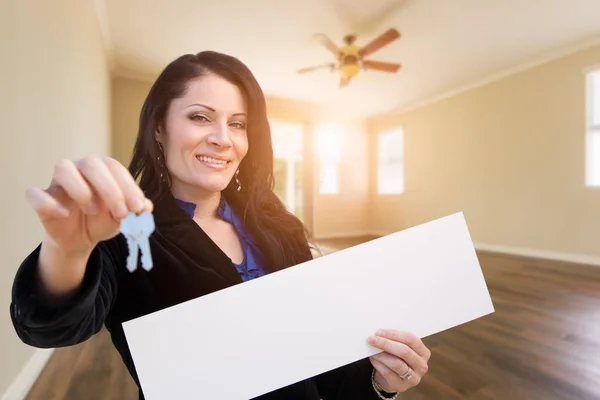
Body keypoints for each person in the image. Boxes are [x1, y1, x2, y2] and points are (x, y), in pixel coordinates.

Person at [10, 51, 431, 399]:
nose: (222, 138)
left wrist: (381, 382)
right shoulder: (124, 233)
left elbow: (321, 355)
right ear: (159, 127)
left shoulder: (277, 225)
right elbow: (50, 327)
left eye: (237, 123)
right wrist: (67, 248)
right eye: (199, 117)